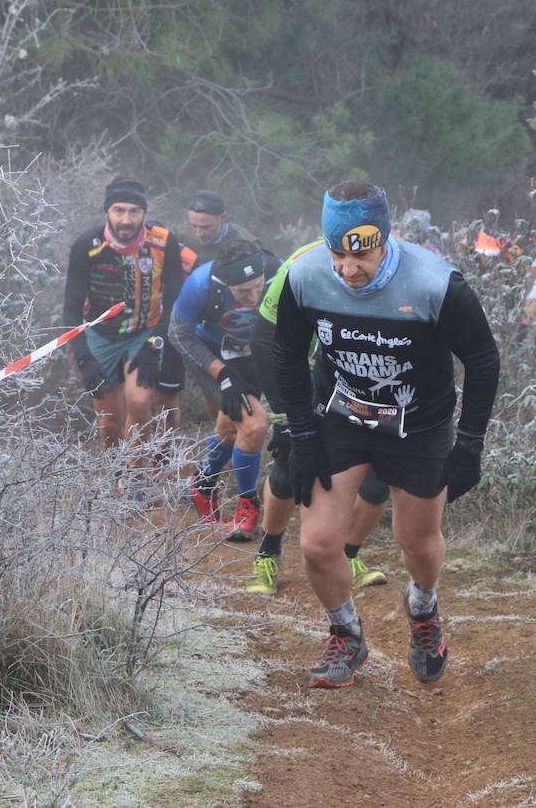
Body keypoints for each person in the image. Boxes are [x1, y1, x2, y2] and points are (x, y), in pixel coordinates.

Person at [274, 181, 500, 688]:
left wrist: (469, 443)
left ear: (386, 238)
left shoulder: (436, 283)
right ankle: (346, 634)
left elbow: (482, 360)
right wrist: (301, 431)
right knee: (317, 542)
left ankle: (423, 610)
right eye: (337, 254)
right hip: (340, 416)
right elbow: (287, 353)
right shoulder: (305, 274)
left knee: (415, 542)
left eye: (364, 255)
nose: (349, 270)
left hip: (418, 424)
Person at [243, 238, 393, 596]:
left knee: (381, 472)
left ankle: (349, 554)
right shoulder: (302, 266)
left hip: (361, 371)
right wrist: (283, 416)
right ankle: (267, 553)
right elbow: (264, 343)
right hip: (302, 367)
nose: (351, 267)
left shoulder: (405, 267)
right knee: (290, 458)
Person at [63, 177, 185, 471]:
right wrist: (83, 357)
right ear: (107, 212)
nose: (126, 219)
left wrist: (156, 341)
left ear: (144, 213)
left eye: (134, 211)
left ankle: (137, 472)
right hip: (101, 336)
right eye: (119, 211)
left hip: (144, 331)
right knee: (110, 423)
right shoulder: (87, 246)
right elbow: (70, 310)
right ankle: (115, 471)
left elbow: (175, 298)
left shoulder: (164, 241)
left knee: (140, 402)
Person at [169, 238, 280, 540]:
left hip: (251, 352)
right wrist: (221, 372)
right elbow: (178, 335)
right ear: (225, 283)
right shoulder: (202, 283)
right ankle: (248, 505)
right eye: (243, 292)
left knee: (231, 424)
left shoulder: (279, 273)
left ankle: (201, 487)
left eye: (258, 287)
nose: (253, 296)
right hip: (211, 355)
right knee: (254, 425)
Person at [184, 190, 255, 270]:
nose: (199, 233)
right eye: (193, 226)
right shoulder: (181, 234)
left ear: (222, 217)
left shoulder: (245, 244)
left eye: (205, 227)